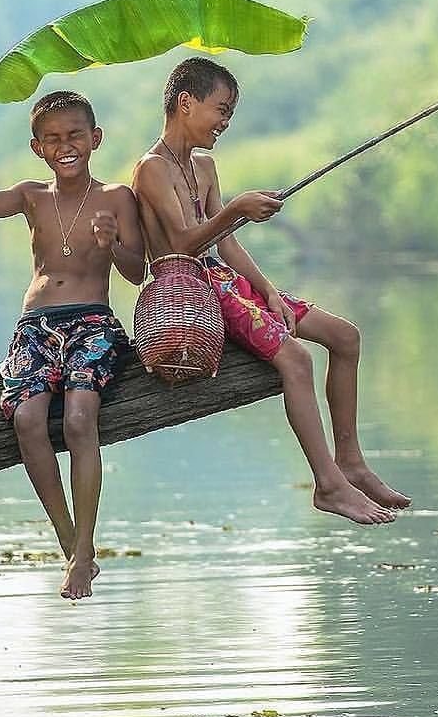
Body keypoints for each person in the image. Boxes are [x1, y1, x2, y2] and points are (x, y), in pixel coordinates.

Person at [132, 57, 410, 525]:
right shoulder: (150, 168)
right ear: (186, 102)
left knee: (345, 337)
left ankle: (351, 461)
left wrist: (268, 291)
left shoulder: (203, 164)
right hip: (190, 291)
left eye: (230, 114)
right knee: (296, 359)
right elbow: (182, 243)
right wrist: (237, 206)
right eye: (221, 110)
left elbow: (226, 242)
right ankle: (327, 484)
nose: (225, 123)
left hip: (228, 282)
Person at [0, 90, 146, 599]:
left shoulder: (116, 198)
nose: (66, 146)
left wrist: (113, 244)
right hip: (36, 325)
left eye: (75, 136)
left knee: (82, 419)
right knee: (26, 420)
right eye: (53, 139)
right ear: (38, 147)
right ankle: (73, 547)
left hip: (92, 322)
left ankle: (84, 549)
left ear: (95, 139)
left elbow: (137, 271)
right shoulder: (31, 195)